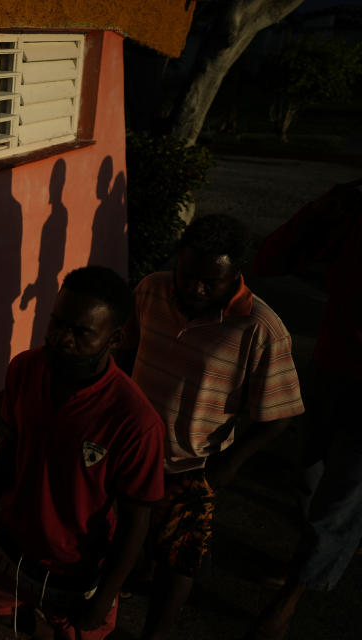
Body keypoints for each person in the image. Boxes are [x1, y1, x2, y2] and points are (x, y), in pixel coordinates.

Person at [123, 215, 305, 640]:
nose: (196, 288)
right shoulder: (150, 289)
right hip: (134, 452)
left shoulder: (260, 328)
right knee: (126, 536)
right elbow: (126, 354)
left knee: (180, 557)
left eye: (212, 281)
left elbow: (281, 414)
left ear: (236, 275)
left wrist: (231, 465)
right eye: (189, 275)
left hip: (194, 464)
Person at [0, 266, 166, 640]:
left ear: (115, 339)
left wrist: (104, 598)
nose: (61, 339)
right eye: (57, 323)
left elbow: (137, 519)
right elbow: (10, 450)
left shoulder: (135, 420)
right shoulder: (24, 370)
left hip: (78, 574)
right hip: (11, 550)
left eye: (81, 332)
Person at [250, 179, 362, 639]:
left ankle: (288, 601)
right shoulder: (354, 215)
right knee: (309, 472)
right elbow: (271, 260)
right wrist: (317, 210)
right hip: (331, 370)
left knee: (340, 501)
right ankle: (311, 558)